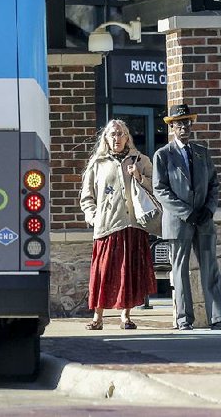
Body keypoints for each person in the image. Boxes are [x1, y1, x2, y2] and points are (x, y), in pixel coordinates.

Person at [152, 104, 221, 330]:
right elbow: (160, 189)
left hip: (203, 220)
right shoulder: (163, 155)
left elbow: (214, 183)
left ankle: (219, 318)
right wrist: (187, 212)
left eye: (187, 122)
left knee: (210, 267)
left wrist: (209, 209)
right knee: (180, 270)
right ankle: (184, 319)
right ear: (171, 127)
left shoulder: (202, 152)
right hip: (178, 222)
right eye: (179, 123)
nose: (184, 127)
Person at [80, 119, 157, 330]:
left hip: (133, 225)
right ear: (105, 138)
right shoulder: (97, 163)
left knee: (129, 272)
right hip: (107, 226)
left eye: (120, 134)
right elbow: (87, 197)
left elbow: (155, 188)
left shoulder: (140, 160)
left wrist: (139, 176)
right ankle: (98, 317)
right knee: (103, 272)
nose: (116, 138)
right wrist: (94, 217)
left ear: (127, 137)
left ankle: (126, 316)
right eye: (112, 134)